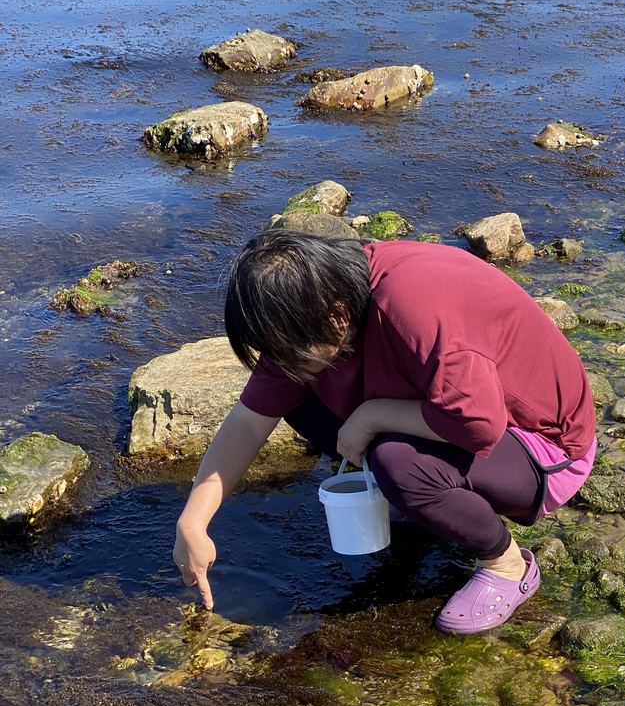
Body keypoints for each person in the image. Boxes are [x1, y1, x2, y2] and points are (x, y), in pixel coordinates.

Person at [173, 229, 597, 634]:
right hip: (453, 417)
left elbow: (479, 425)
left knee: (400, 464)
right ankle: (418, 498)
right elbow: (249, 420)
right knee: (298, 398)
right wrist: (193, 520)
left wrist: (371, 417)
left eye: (292, 350)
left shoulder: (414, 304)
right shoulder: (321, 298)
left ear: (337, 317)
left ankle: (507, 564)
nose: (284, 362)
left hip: (546, 449)